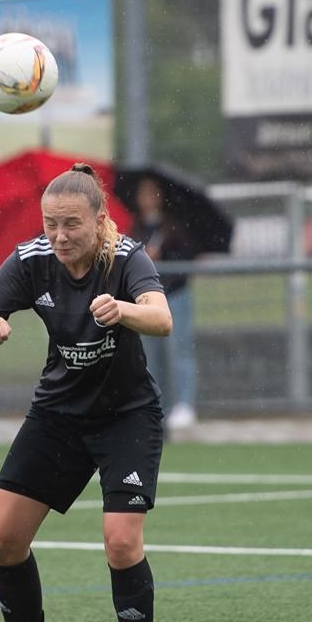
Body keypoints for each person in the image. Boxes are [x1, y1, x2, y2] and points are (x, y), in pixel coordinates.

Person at [0, 163, 172, 622]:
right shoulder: (32, 259)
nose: (59, 236)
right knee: (4, 540)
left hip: (126, 415)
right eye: (50, 224)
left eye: (71, 224)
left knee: (121, 543)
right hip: (58, 416)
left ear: (100, 221)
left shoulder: (126, 257)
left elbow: (162, 318)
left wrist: (122, 309)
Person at [131, 175, 199, 431]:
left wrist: (165, 256)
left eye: (153, 193)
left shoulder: (173, 226)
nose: (148, 199)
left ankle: (184, 404)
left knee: (179, 349)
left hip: (175, 295)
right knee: (149, 355)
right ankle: (155, 404)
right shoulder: (136, 227)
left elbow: (188, 257)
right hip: (148, 298)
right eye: (144, 193)